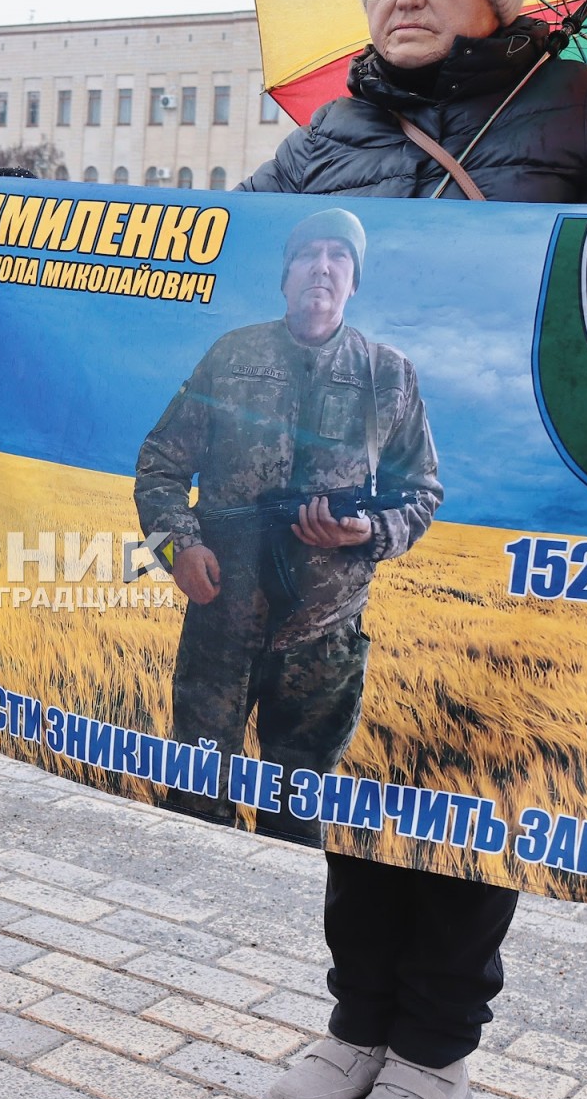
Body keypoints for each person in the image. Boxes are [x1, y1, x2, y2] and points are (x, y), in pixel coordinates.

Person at [242, 0, 587, 1099]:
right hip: (341, 531)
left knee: (467, 769)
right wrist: (18, 238)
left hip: (496, 515)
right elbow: (211, 242)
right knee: (358, 762)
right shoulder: (333, 131)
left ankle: (435, 1055)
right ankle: (355, 1028)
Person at [134, 207, 440, 848]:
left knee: (295, 824)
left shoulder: (388, 375)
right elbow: (160, 468)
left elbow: (421, 495)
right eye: (309, 254)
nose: (322, 268)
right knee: (191, 805)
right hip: (220, 625)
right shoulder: (233, 357)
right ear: (286, 275)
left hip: (323, 643)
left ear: (354, 280)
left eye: (339, 257)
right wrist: (177, 549)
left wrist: (369, 534)